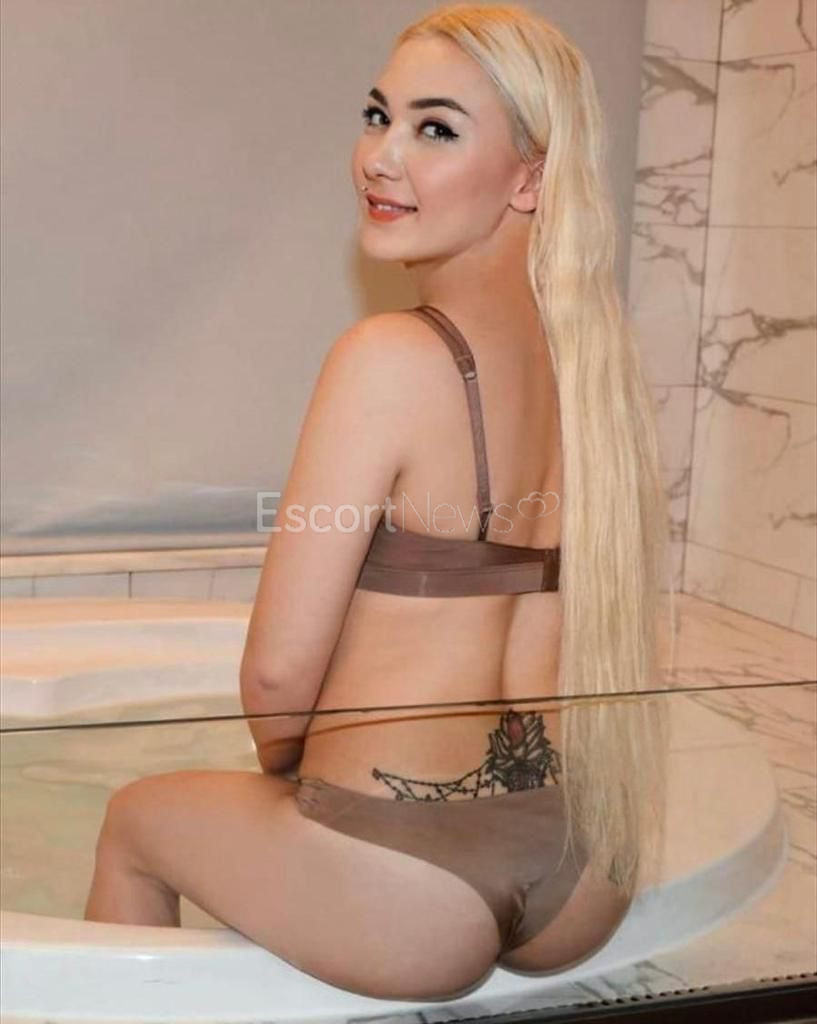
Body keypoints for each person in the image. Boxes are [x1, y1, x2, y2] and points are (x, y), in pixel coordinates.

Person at [85, 2, 675, 1002]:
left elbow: (277, 674)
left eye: (435, 128)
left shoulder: (390, 356)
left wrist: (287, 781)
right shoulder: (593, 370)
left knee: (138, 819)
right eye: (377, 116)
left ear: (529, 178)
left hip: (404, 878)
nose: (380, 157)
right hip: (580, 860)